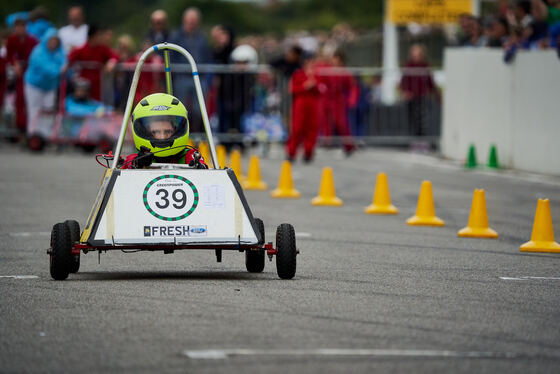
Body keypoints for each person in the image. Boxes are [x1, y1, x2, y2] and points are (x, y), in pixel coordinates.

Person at [122, 93, 208, 169]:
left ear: (176, 131)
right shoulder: (135, 158)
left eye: (167, 132)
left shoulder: (189, 155)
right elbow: (126, 169)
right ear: (146, 132)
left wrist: (199, 168)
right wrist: (138, 165)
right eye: (156, 132)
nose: (162, 137)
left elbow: (203, 169)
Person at [169, 7, 212, 132]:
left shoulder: (202, 37)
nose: (192, 23)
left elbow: (206, 55)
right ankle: (179, 134)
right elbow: (171, 55)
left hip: (199, 77)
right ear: (184, 20)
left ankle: (198, 135)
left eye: (194, 21)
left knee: (199, 109)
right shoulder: (176, 36)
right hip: (182, 77)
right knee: (180, 108)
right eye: (190, 20)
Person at [285, 53, 325, 163]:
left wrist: (315, 84)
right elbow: (292, 89)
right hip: (300, 104)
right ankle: (291, 152)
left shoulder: (317, 75)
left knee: (312, 129)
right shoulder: (298, 74)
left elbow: (322, 89)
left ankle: (308, 152)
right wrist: (305, 86)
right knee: (297, 129)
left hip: (313, 104)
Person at [24, 28, 66, 131]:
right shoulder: (38, 52)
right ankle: (33, 133)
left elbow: (65, 62)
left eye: (56, 41)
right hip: (35, 86)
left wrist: (65, 68)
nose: (53, 43)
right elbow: (46, 69)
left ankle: (45, 134)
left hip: (50, 86)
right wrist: (60, 70)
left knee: (48, 111)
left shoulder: (59, 52)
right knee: (35, 110)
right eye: (51, 40)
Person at [68, 25, 119, 101]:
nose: (101, 37)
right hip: (84, 84)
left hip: (98, 84)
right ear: (92, 36)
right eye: (99, 35)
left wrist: (111, 62)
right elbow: (70, 58)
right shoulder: (82, 49)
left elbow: (114, 56)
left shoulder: (102, 49)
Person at [6, 18, 38, 133]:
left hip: (29, 71)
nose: (20, 30)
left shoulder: (32, 40)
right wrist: (14, 65)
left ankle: (30, 125)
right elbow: (9, 56)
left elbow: (35, 56)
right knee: (19, 99)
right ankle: (20, 126)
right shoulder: (12, 40)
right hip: (17, 72)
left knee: (28, 99)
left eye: (22, 27)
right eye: (17, 27)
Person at [399, 44, 438, 137]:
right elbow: (404, 81)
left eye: (417, 55)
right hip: (411, 97)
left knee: (423, 121)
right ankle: (414, 140)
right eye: (414, 55)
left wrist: (435, 93)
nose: (416, 57)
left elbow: (430, 81)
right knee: (412, 120)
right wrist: (405, 92)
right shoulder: (409, 65)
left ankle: (422, 140)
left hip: (422, 97)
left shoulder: (425, 66)